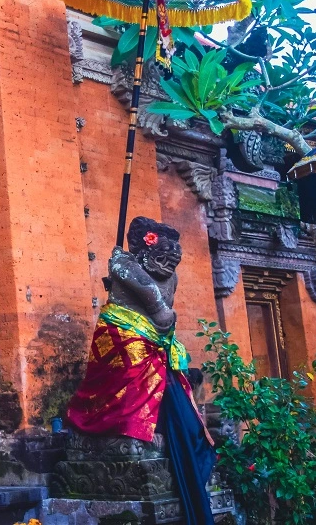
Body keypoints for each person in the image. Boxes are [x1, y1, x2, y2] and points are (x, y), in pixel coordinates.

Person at [66, 216, 216, 525]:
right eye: (162, 256)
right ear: (144, 248)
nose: (168, 265)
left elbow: (163, 313)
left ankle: (163, 433)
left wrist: (123, 268)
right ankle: (132, 427)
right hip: (125, 339)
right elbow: (155, 304)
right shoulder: (125, 266)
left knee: (173, 401)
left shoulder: (149, 272)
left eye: (172, 260)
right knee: (131, 382)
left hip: (157, 344)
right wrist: (120, 265)